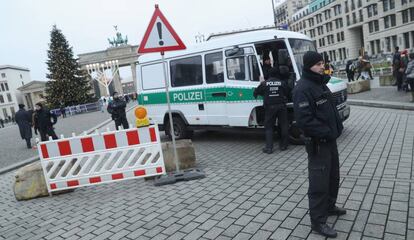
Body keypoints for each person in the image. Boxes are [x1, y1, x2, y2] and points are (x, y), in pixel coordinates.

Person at [292, 51, 346, 238]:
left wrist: (335, 130)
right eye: (317, 64)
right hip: (318, 144)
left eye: (322, 63)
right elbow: (304, 121)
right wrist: (327, 132)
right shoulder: (303, 88)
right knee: (319, 183)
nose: (321, 66)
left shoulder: (320, 84)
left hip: (329, 141)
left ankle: (329, 207)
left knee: (333, 176)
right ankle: (318, 222)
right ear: (308, 67)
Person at [254, 67, 289, 153]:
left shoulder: (264, 83)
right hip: (281, 107)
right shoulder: (282, 83)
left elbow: (256, 92)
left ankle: (269, 148)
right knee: (284, 125)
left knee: (269, 127)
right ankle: (283, 146)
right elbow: (288, 92)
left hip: (270, 107)